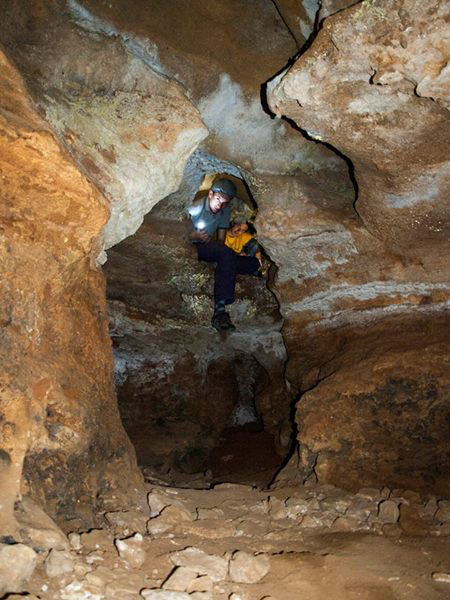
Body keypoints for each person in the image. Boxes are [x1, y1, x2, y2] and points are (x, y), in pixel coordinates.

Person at [187, 178, 260, 332]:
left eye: (225, 202)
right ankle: (219, 312)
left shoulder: (224, 210)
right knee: (227, 254)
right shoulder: (196, 207)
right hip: (192, 247)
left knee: (253, 263)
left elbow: (221, 240)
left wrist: (225, 256)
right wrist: (194, 236)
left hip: (210, 247)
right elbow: (179, 234)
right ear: (211, 194)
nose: (220, 205)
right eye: (218, 199)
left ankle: (223, 266)